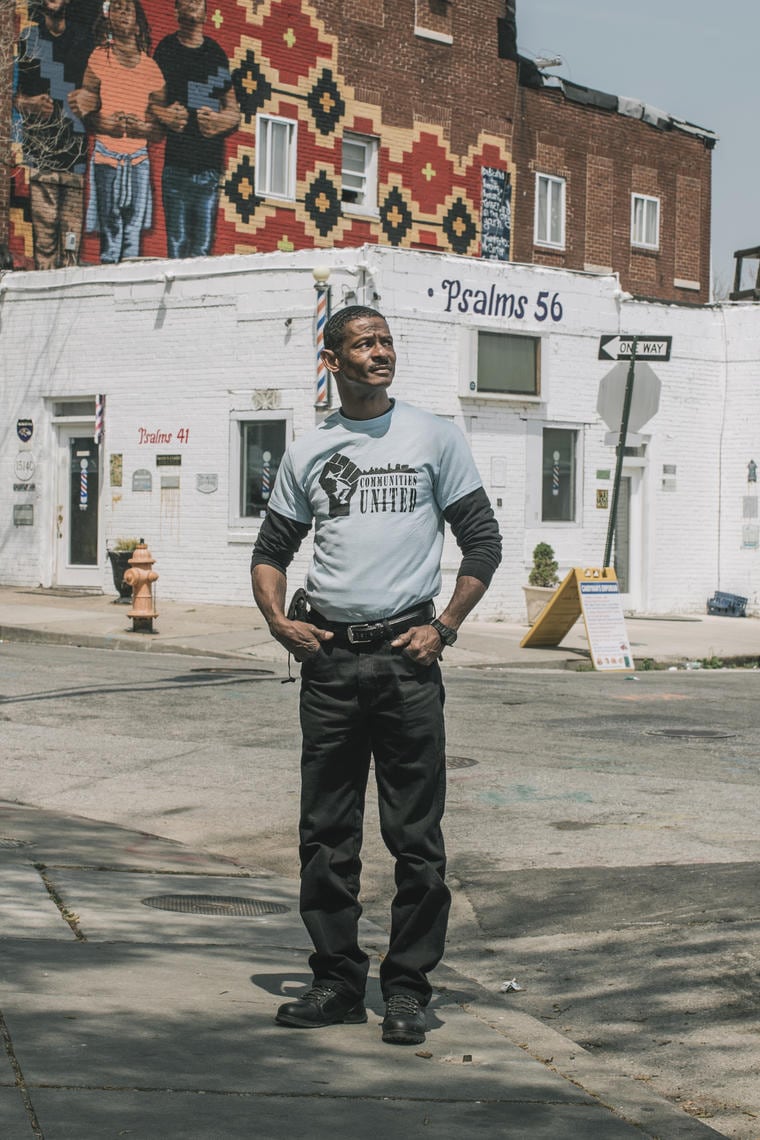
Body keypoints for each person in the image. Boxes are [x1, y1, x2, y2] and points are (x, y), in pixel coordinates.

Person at [251, 306, 502, 1046]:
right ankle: (334, 980)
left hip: (405, 659)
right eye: (363, 344)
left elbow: (482, 541)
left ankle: (407, 989)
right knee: (326, 833)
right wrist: (276, 620)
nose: (380, 353)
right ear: (332, 360)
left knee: (414, 836)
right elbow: (271, 549)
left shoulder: (433, 436)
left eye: (387, 342)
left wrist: (446, 624)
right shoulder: (310, 451)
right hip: (330, 660)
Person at [151, 0, 239, 259]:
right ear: (175, 10)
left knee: (201, 250)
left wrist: (218, 122)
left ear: (205, 12)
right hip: (176, 166)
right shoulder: (166, 50)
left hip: (209, 169)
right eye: (186, 1)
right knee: (176, 246)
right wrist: (166, 115)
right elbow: (151, 103)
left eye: (198, 1)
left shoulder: (215, 54)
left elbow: (233, 112)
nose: (192, 5)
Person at [14, 0, 96, 270]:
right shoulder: (29, 38)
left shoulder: (83, 39)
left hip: (75, 154)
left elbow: (99, 90)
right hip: (41, 153)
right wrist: (30, 104)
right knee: (45, 244)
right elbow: (13, 96)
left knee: (71, 244)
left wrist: (91, 98)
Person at [81, 0, 163, 263]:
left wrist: (144, 128)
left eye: (129, 7)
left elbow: (160, 125)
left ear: (139, 27)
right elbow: (86, 110)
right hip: (106, 158)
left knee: (132, 236)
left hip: (138, 161)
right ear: (108, 20)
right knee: (111, 233)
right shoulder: (98, 57)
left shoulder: (151, 69)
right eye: (117, 7)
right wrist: (105, 124)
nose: (124, 11)